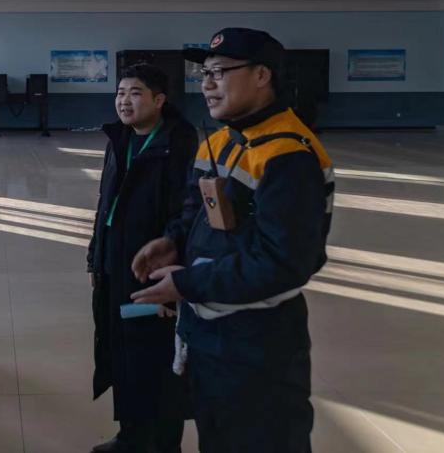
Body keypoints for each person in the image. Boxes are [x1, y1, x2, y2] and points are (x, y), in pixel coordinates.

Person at [131, 28, 335, 453]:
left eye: (219, 72)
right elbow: (196, 211)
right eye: (204, 74)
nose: (206, 84)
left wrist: (187, 283)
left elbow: (284, 263)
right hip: (209, 331)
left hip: (259, 341)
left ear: (262, 75)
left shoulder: (288, 155)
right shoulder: (219, 141)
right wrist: (173, 242)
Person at [88, 64, 198, 453]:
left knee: (158, 358)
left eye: (135, 93)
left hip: (153, 270)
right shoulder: (119, 138)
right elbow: (106, 203)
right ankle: (131, 435)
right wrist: (96, 255)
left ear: (159, 100)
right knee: (123, 351)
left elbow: (186, 213)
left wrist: (173, 275)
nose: (124, 101)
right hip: (115, 264)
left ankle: (165, 444)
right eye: (120, 93)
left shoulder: (177, 143)